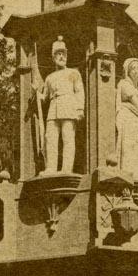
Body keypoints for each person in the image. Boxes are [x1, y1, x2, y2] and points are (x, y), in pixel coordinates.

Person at [40, 38, 85, 175]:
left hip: (68, 106)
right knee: (51, 137)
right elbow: (44, 97)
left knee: (68, 138)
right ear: (53, 58)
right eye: (58, 54)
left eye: (64, 54)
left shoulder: (73, 73)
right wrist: (37, 93)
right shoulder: (49, 77)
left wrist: (80, 109)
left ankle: (66, 168)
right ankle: (51, 168)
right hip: (54, 107)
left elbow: (79, 91)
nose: (62, 56)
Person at [116, 57, 138, 181]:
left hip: (136, 121)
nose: (136, 71)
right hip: (128, 119)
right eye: (133, 68)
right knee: (129, 146)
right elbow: (136, 103)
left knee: (137, 148)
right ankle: (128, 171)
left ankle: (135, 172)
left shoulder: (135, 88)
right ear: (128, 70)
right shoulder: (124, 84)